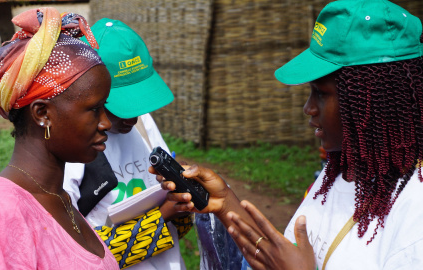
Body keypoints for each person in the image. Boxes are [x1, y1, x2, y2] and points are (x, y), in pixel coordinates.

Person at [156, 0, 423, 269]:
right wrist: (226, 204)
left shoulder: (415, 216)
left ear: (374, 100)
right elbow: (287, 258)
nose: (308, 108)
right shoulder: (346, 172)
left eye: (320, 93)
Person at [0, 8, 119, 269]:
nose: (106, 123)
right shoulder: (0, 216)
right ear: (42, 114)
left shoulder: (59, 197)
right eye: (94, 109)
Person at [63, 18, 192, 270]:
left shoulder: (142, 122)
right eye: (122, 107)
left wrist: (183, 201)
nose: (133, 117)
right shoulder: (74, 150)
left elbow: (178, 225)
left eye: (138, 103)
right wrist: (161, 217)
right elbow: (75, 254)